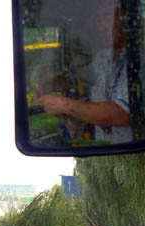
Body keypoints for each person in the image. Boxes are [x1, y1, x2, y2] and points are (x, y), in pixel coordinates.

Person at [36, 0, 131, 144]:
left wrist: (64, 105)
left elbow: (121, 114)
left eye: (107, 17)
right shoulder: (102, 57)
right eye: (98, 20)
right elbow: (77, 78)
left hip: (129, 155)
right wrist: (51, 85)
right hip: (104, 151)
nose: (100, 27)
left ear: (124, 20)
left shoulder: (134, 62)